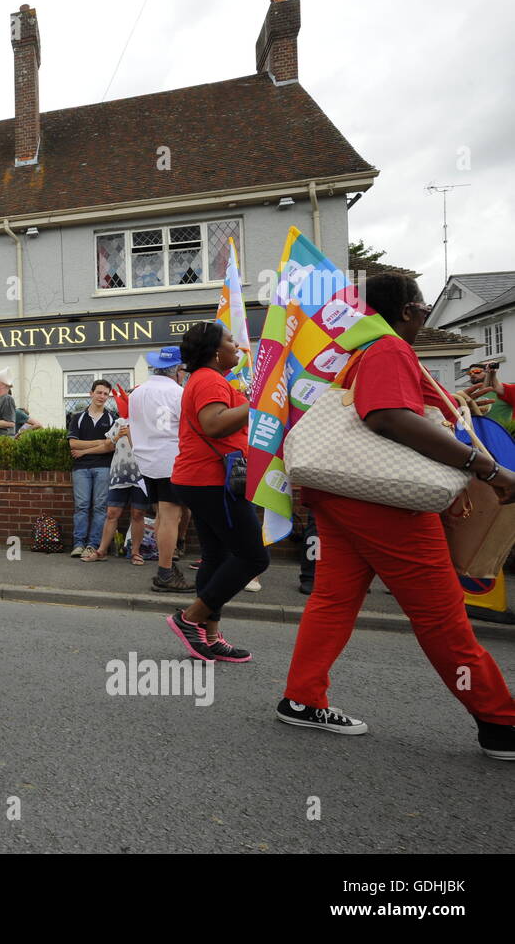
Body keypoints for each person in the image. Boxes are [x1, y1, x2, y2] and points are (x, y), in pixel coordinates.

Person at [276, 275, 515, 759]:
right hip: (386, 499)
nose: (426, 316)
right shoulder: (388, 348)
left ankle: (302, 699)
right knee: (441, 614)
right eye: (424, 308)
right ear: (407, 310)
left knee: (335, 598)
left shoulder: (358, 350)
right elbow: (383, 414)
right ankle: (501, 721)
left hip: (340, 490)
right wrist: (483, 466)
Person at [163, 322, 267, 663]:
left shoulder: (209, 379)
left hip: (202, 479)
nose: (236, 345)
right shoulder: (208, 380)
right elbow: (214, 423)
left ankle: (209, 636)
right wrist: (256, 403)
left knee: (217, 557)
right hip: (211, 481)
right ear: (213, 349)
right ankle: (189, 618)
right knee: (254, 557)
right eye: (229, 340)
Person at [129, 346, 194, 592]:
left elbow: (133, 427)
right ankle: (165, 572)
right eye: (184, 370)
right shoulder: (179, 393)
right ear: (178, 370)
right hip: (171, 460)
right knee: (170, 518)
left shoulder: (137, 392)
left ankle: (165, 566)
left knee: (160, 517)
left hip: (146, 461)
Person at [67, 380, 116, 560]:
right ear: (91, 393)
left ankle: (93, 545)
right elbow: (73, 443)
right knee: (81, 506)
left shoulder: (112, 418)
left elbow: (111, 446)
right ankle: (78, 544)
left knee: (100, 507)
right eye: (99, 392)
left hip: (104, 467)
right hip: (81, 468)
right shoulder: (77, 417)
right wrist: (100, 442)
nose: (102, 396)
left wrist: (85, 449)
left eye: (105, 394)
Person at [94, 419, 149, 565]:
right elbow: (108, 445)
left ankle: (136, 553)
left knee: (138, 514)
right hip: (119, 473)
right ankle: (101, 551)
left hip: (140, 474)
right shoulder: (120, 422)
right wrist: (117, 436)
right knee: (112, 513)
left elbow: (144, 448)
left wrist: (130, 434)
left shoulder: (146, 421)